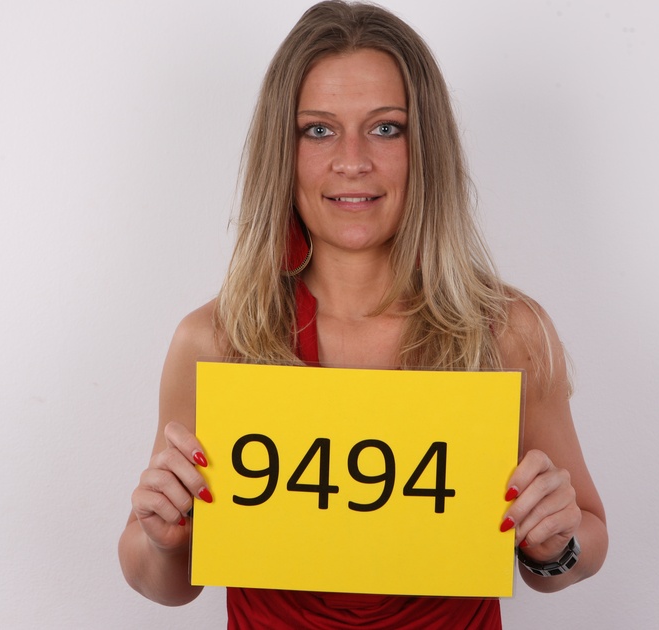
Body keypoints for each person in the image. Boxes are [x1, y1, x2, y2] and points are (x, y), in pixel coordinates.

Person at [118, 2, 607, 627]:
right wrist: (163, 539)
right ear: (282, 151)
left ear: (425, 147)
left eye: (386, 128)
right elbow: (164, 583)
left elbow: (583, 543)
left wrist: (555, 543)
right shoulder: (215, 341)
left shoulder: (508, 332)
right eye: (319, 130)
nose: (352, 161)